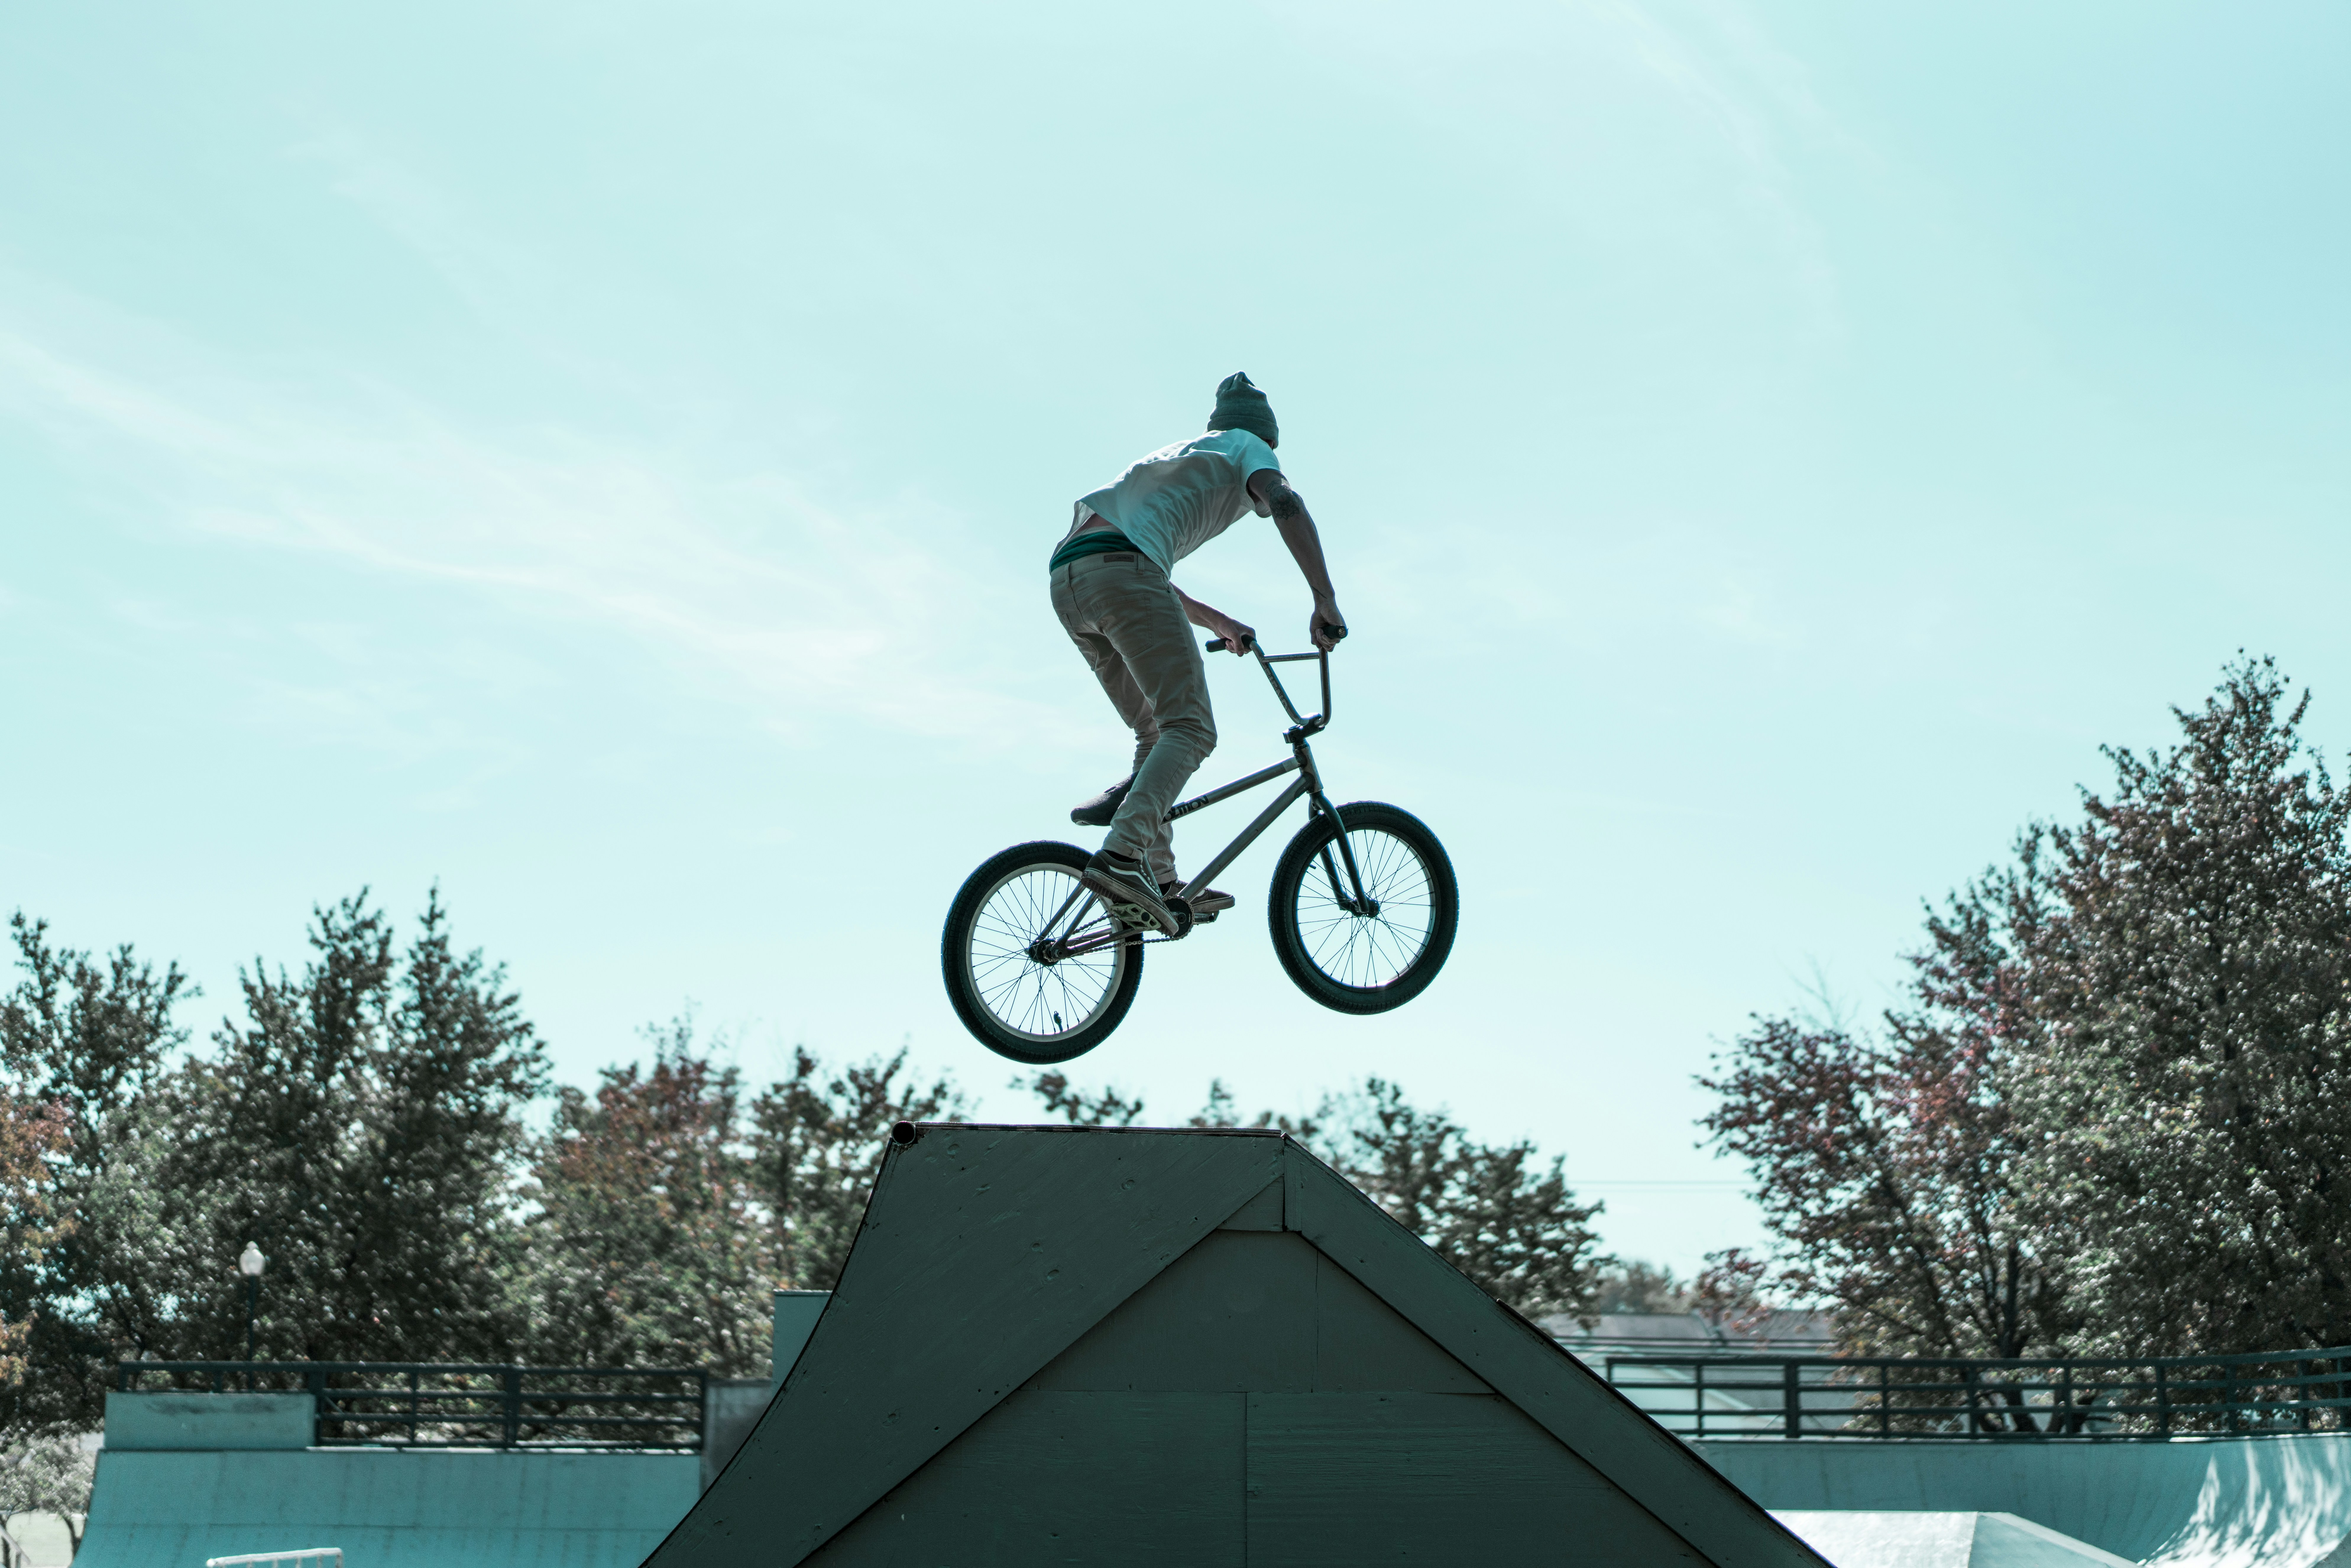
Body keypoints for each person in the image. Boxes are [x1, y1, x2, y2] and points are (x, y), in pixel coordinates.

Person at [1048, 372, 1346, 938]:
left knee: (1156, 735)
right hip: (1123, 573)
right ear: (1268, 440)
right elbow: (1285, 501)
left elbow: (1131, 563)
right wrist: (1324, 599)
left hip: (1071, 578)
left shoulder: (1183, 454)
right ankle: (1121, 859)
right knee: (1192, 729)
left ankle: (1156, 883)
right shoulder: (1246, 446)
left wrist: (1217, 621)